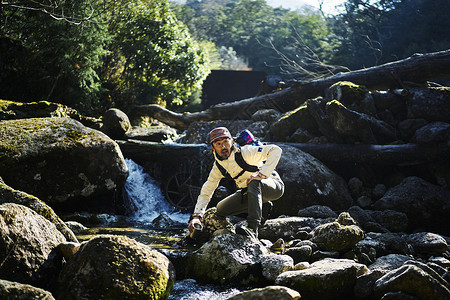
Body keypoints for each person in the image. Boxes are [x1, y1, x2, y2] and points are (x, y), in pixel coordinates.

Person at [188, 127, 284, 238]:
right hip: (250, 192)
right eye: (218, 144)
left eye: (225, 142)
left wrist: (261, 175)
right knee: (220, 209)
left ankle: (252, 228)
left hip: (274, 186)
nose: (223, 147)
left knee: (253, 182)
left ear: (232, 141)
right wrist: (197, 216)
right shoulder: (218, 167)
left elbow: (276, 150)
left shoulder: (246, 152)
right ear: (213, 147)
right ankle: (264, 205)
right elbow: (207, 190)